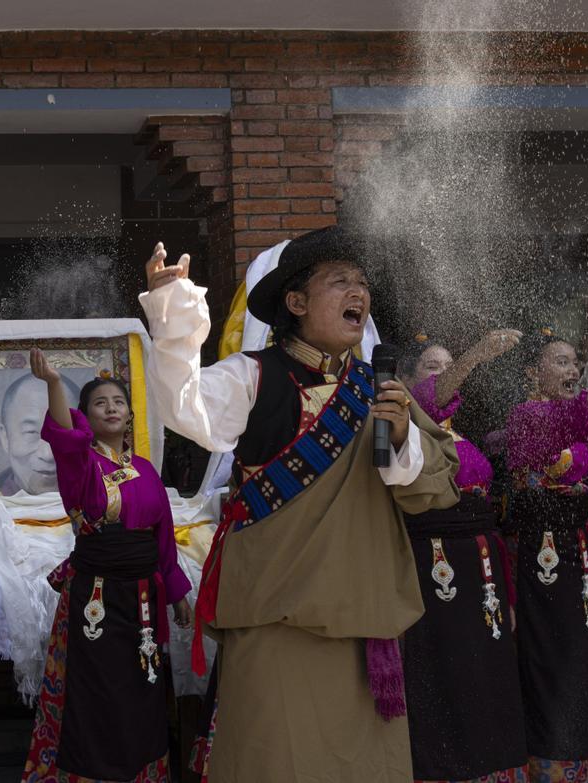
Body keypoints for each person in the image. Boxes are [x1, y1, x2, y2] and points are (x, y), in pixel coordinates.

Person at [139, 226, 461, 782]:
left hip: (364, 622)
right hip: (277, 620)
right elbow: (183, 407)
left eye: (362, 283)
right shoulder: (254, 375)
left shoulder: (382, 391)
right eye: (340, 282)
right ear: (296, 302)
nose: (357, 293)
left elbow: (435, 485)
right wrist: (173, 315)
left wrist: (403, 438)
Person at [21, 349, 193, 782]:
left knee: (143, 688)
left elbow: (163, 537)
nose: (111, 408)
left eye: (118, 402)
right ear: (86, 417)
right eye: (100, 403)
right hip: (95, 599)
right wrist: (55, 384)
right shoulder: (81, 464)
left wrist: (176, 592)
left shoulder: (146, 470)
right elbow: (64, 432)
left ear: (131, 415)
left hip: (142, 603)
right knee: (98, 694)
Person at [397, 330, 528, 782]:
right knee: (447, 669)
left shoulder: (463, 437)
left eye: (450, 366)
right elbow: (431, 397)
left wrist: (507, 593)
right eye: (435, 368)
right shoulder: (409, 426)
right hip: (436, 570)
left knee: (484, 670)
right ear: (409, 381)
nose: (447, 375)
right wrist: (475, 355)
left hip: (481, 567)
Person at [505, 329, 588, 780]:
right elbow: (531, 483)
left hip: (577, 550)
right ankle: (548, 762)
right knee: (550, 652)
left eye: (575, 363)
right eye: (560, 362)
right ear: (532, 373)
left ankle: (583, 759)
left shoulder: (576, 415)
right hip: (543, 556)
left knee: (581, 649)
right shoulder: (527, 414)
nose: (572, 370)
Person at [0, 371, 82, 496]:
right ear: (5, 437)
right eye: (31, 432)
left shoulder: (109, 499)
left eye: (63, 433)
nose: (48, 455)